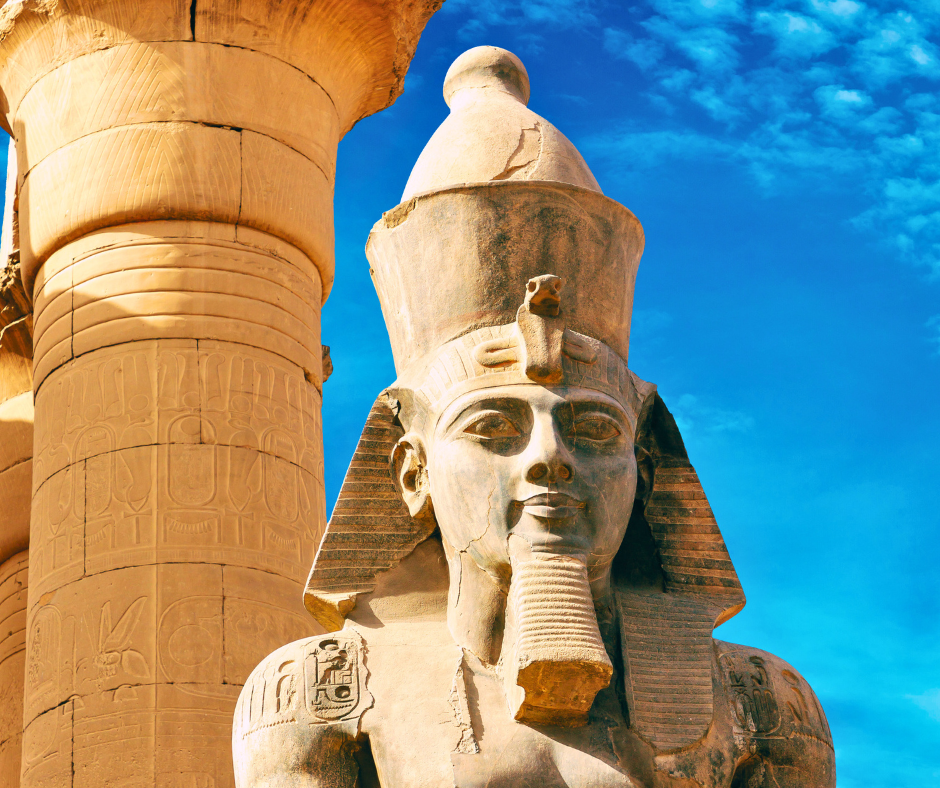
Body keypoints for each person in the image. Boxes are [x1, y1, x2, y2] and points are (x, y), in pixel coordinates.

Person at [233, 47, 835, 788]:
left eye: (593, 430)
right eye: (495, 428)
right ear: (412, 470)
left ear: (646, 469)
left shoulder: (762, 702)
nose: (549, 459)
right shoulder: (317, 695)